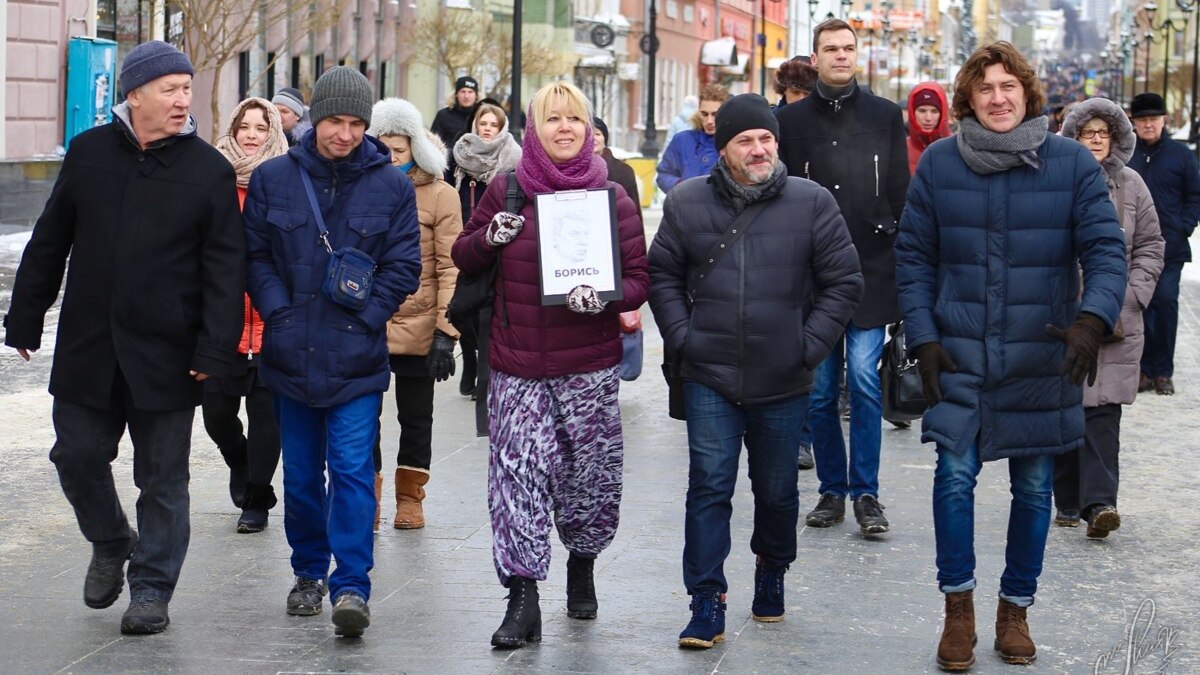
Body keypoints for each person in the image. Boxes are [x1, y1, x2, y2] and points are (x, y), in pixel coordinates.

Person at [895, 42, 1128, 670]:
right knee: (953, 479)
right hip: (961, 352)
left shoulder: (1072, 163)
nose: (998, 99)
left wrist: (1092, 318)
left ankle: (1015, 608)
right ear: (968, 98)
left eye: (1009, 87)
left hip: (1042, 355)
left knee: (1032, 488)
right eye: (985, 88)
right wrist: (924, 336)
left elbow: (1107, 250)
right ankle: (958, 609)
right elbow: (913, 257)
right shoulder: (941, 164)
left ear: (1027, 94)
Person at [2, 40, 245, 635]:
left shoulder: (207, 171)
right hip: (90, 345)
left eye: (187, 89)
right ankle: (111, 539)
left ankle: (152, 590)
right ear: (133, 94)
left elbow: (225, 271)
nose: (183, 100)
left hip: (169, 354)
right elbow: (49, 238)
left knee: (163, 478)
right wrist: (25, 316)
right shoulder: (88, 154)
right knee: (75, 456)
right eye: (170, 89)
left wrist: (215, 349)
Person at [648, 93, 863, 649]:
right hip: (710, 375)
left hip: (783, 376)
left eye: (766, 138)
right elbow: (663, 276)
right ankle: (706, 599)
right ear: (724, 151)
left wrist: (806, 346)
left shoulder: (811, 202)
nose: (759, 148)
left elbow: (844, 283)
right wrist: (683, 338)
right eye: (746, 140)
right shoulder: (687, 202)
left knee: (776, 491)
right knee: (709, 487)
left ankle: (772, 570)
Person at [451, 81, 649, 649]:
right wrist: (489, 236)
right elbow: (464, 254)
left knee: (588, 479)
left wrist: (608, 297)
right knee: (517, 479)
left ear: (589, 131)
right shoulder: (507, 188)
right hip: (516, 363)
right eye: (551, 119)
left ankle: (581, 562)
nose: (564, 128)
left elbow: (639, 280)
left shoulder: (612, 198)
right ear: (533, 130)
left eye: (575, 120)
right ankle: (522, 596)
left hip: (587, 365)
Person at [242, 66, 422, 638]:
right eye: (334, 121)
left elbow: (404, 266)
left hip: (357, 359)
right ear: (316, 117)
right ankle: (307, 572)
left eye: (355, 123)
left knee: (349, 470)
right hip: (290, 355)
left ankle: (352, 585)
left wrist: (369, 319)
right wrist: (278, 312)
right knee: (299, 475)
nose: (343, 134)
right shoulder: (275, 179)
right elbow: (255, 257)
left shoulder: (391, 184)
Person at [777, 18, 910, 537]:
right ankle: (832, 490)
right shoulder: (791, 120)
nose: (840, 56)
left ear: (859, 55)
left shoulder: (883, 114)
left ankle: (867, 494)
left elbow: (900, 190)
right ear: (815, 59)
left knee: (863, 382)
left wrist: (905, 267)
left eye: (848, 48)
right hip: (811, 276)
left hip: (873, 267)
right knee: (819, 390)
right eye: (830, 49)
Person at [1056, 98, 1164, 539]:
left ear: (1117, 137)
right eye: (1088, 133)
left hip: (1119, 319)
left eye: (1104, 133)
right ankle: (1065, 500)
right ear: (1075, 137)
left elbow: (1151, 246)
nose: (1097, 140)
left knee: (1103, 416)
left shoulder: (1133, 184)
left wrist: (1133, 295)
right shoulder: (1057, 180)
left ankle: (1100, 503)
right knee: (1066, 409)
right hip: (1066, 316)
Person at [366, 97, 463, 531]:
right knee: (362, 415)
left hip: (420, 323)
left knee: (415, 416)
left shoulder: (442, 195)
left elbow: (451, 265)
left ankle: (410, 496)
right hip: (366, 320)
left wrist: (447, 330)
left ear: (415, 149)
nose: (390, 157)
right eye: (382, 147)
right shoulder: (359, 188)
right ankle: (365, 494)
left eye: (399, 149)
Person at [206, 96, 290, 534]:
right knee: (216, 415)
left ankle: (257, 497)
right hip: (222, 322)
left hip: (272, 321)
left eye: (261, 126)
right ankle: (238, 461)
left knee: (266, 419)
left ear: (273, 131)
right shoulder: (214, 177)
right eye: (245, 126)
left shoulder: (287, 179)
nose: (252, 134)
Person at [451, 102, 522, 423]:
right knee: (462, 308)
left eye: (494, 123)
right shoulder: (461, 154)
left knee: (484, 308)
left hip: (496, 240)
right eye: (484, 122)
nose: (488, 128)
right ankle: (469, 359)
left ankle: (482, 372)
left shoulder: (511, 159)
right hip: (463, 238)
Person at [1126, 92, 1200, 396]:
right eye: (1143, 119)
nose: (1148, 125)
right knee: (1138, 307)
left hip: (1170, 246)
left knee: (1166, 303)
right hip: (1133, 248)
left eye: (1154, 119)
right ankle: (1141, 369)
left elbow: (1194, 195)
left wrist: (1185, 226)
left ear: (1163, 121)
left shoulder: (1181, 155)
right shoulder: (1127, 153)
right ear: (1134, 122)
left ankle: (1162, 371)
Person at [656, 83, 729, 193]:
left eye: (715, 114)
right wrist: (680, 186)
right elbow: (664, 174)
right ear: (698, 111)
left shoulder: (734, 143)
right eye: (704, 114)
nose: (709, 121)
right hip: (685, 207)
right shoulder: (681, 140)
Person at [592, 116, 642, 222]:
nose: (593, 138)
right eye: (588, 134)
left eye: (597, 134)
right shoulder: (575, 171)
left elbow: (634, 211)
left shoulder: (623, 171)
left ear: (605, 139)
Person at [906, 82, 951, 174]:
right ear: (912, 113)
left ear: (942, 114)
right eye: (922, 111)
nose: (928, 118)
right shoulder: (901, 148)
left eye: (934, 111)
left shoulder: (958, 147)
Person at [431, 75, 480, 149]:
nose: (466, 96)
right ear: (456, 94)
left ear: (476, 95)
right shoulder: (443, 115)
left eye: (470, 92)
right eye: (463, 92)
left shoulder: (483, 116)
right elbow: (433, 142)